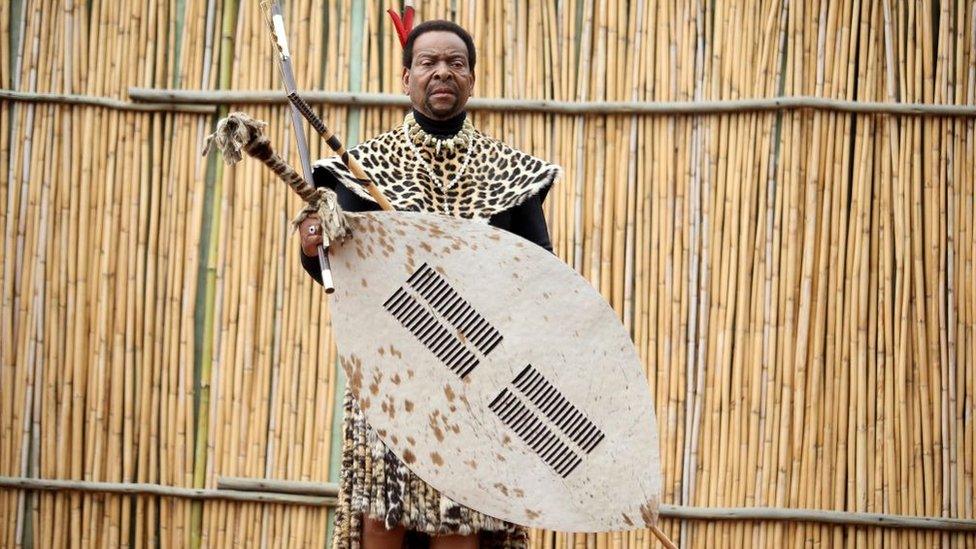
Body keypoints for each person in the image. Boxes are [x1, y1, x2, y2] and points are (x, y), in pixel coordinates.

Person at [298, 20, 561, 549]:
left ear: (472, 80)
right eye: (428, 63)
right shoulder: (362, 169)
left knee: (460, 519)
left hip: (475, 374)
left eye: (456, 63)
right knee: (382, 514)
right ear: (406, 77)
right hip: (389, 372)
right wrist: (311, 245)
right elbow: (334, 263)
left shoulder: (509, 174)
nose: (442, 72)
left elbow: (538, 275)